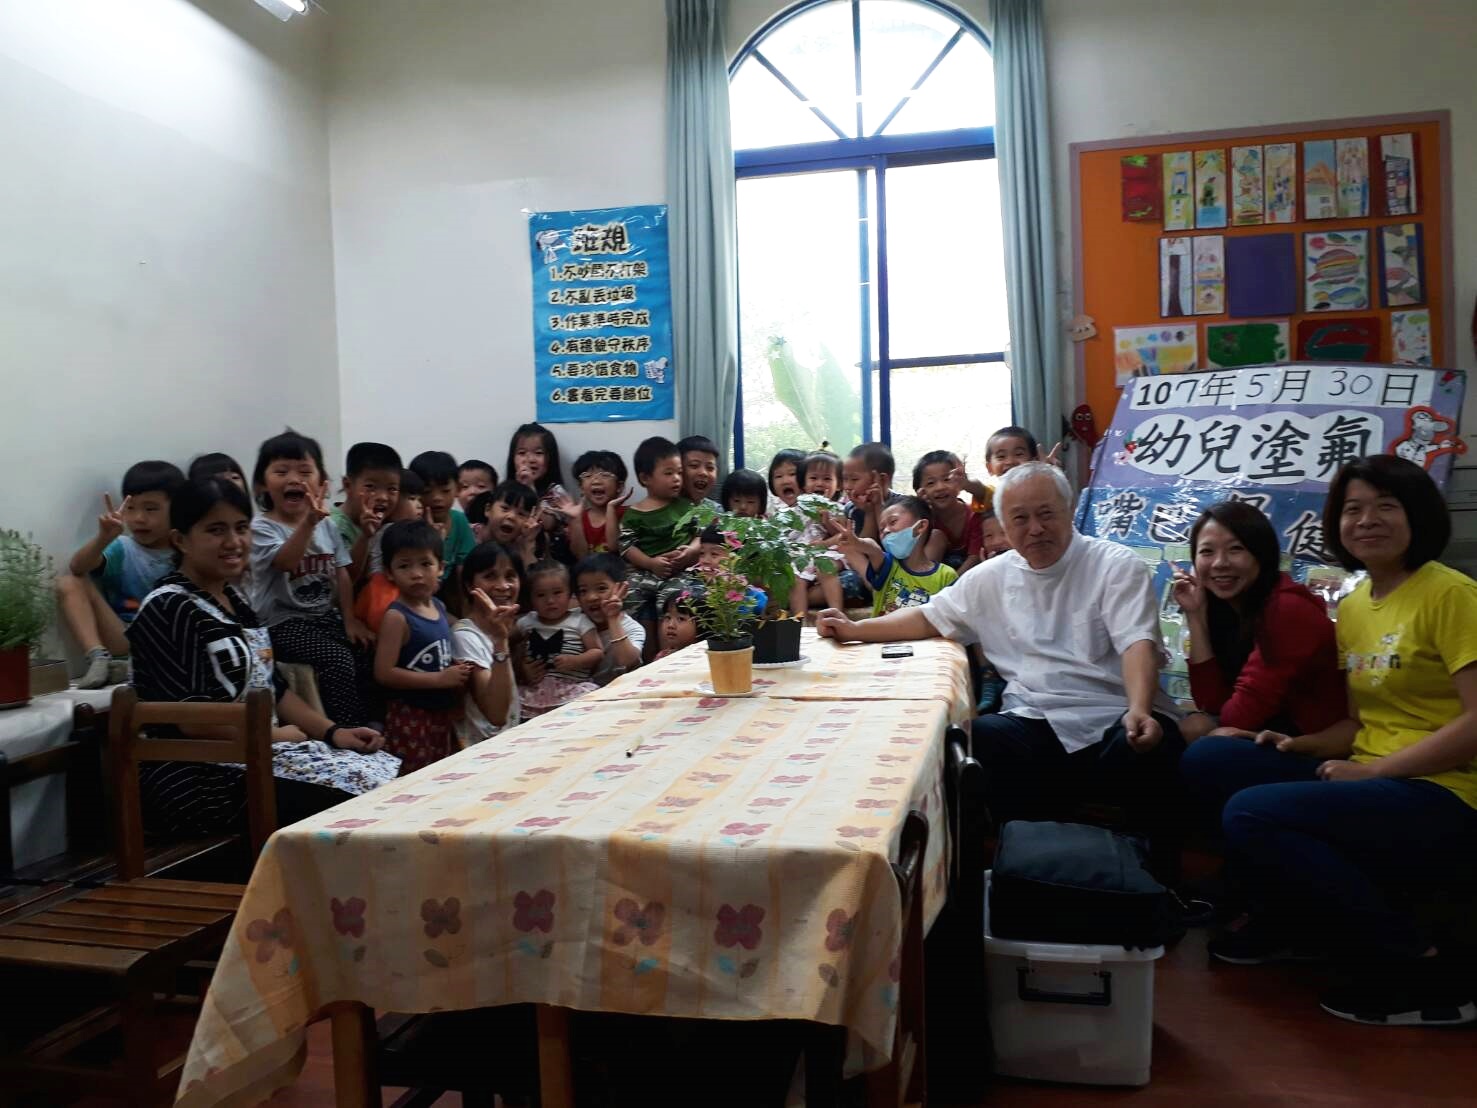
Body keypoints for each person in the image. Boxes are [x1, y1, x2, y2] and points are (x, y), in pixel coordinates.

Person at [1184, 457, 1477, 1026]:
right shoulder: (1358, 603)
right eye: (1353, 509)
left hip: (1445, 789)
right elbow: (1354, 722)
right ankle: (1297, 923)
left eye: (1385, 507)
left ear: (1418, 515)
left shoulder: (1451, 595)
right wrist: (1298, 745)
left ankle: (1422, 967)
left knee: (1252, 814)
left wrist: (1373, 773)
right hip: (1374, 770)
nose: (1367, 520)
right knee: (1214, 755)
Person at [817, 461, 1189, 877]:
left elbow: (1137, 641)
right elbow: (927, 617)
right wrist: (856, 628)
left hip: (1115, 717)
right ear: (1004, 525)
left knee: (1153, 745)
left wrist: (1138, 707)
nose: (1035, 529)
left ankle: (1161, 885)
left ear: (1071, 511)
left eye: (1046, 514)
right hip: (1038, 719)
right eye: (1020, 518)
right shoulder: (990, 578)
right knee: (984, 738)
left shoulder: (1114, 564)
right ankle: (1030, 870)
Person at [128, 477, 398, 838]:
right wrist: (270, 736)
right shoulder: (169, 607)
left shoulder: (237, 603)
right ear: (181, 540)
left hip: (258, 753)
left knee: (393, 777)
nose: (234, 542)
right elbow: (191, 718)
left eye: (241, 528)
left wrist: (334, 733)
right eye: (216, 530)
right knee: (350, 808)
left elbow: (275, 689)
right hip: (199, 773)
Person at [1172, 501, 1343, 738]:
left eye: (1235, 549)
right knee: (1195, 726)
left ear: (1261, 555)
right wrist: (1195, 614)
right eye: (1207, 552)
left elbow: (1239, 718)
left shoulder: (1288, 608)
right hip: (1267, 729)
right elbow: (1210, 702)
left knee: (1209, 740)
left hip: (1312, 742)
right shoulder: (1223, 607)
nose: (1220, 563)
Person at [249, 429, 374, 727]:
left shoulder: (327, 525)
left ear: (322, 484)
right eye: (281, 471)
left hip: (323, 617)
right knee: (336, 659)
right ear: (261, 485)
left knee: (368, 649)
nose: (294, 478)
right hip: (281, 624)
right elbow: (286, 561)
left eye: (305, 471)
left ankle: (373, 721)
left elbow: (342, 572)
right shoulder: (262, 528)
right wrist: (308, 523)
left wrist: (349, 619)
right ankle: (346, 730)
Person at [59, 460, 185, 688]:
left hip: (169, 643)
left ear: (177, 509)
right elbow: (78, 566)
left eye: (150, 509)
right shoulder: (123, 547)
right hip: (124, 637)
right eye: (130, 507)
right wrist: (103, 538)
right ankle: (99, 658)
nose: (138, 518)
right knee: (70, 582)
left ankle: (130, 668)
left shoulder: (188, 549)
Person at [373, 520, 471, 774]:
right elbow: (384, 673)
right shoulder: (397, 617)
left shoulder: (437, 607)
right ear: (389, 572)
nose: (416, 573)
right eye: (404, 565)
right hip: (411, 716)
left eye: (425, 564)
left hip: (440, 712)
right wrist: (440, 678)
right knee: (413, 779)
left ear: (441, 567)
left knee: (441, 774)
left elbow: (455, 635)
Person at [828, 496, 956, 617]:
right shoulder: (887, 565)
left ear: (921, 526)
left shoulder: (946, 576)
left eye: (893, 522)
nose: (886, 530)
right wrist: (858, 542)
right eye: (881, 529)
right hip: (880, 639)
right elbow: (873, 548)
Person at [451, 541, 524, 742]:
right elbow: (496, 714)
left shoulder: (508, 628)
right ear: (469, 585)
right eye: (490, 576)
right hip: (481, 752)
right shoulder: (465, 637)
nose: (503, 586)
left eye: (510, 576)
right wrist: (500, 642)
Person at [619, 437, 697, 623]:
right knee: (627, 597)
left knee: (675, 604)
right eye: (669, 473)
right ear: (645, 478)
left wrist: (691, 550)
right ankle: (634, 649)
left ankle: (670, 649)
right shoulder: (633, 514)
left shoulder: (686, 507)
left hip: (680, 572)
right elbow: (626, 547)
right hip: (644, 572)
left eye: (679, 472)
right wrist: (650, 563)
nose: (677, 478)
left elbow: (700, 535)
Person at [516, 561, 602, 716]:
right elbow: (510, 645)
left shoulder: (579, 621)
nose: (550, 601)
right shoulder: (526, 622)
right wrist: (521, 666)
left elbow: (597, 651)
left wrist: (576, 661)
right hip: (534, 691)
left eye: (557, 593)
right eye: (541, 595)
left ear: (570, 594)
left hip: (571, 689)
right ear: (531, 599)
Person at [408, 451, 478, 601]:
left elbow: (463, 572)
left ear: (458, 489)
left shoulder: (459, 521)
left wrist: (466, 614)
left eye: (445, 490)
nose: (437, 498)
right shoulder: (409, 525)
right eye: (427, 491)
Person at [331, 442, 403, 588]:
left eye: (392, 489)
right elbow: (345, 580)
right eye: (370, 486)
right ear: (348, 485)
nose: (383, 497)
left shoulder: (386, 521)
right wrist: (365, 537)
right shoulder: (332, 526)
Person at [575, 553, 645, 683]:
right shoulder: (573, 621)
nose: (591, 597)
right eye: (583, 591)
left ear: (622, 590)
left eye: (601, 588)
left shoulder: (633, 628)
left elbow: (626, 660)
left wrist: (613, 618)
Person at [549, 450, 629, 558]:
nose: (596, 481)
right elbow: (581, 556)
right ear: (581, 487)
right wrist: (576, 520)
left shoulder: (629, 514)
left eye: (605, 475)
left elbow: (617, 549)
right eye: (587, 476)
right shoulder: (579, 518)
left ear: (619, 486)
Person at [914, 449, 984, 574]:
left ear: (960, 482)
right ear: (920, 491)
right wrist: (920, 510)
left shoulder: (974, 515)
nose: (940, 487)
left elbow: (975, 558)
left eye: (947, 479)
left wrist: (951, 587)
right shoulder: (925, 522)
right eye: (931, 483)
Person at [655, 589, 702, 659]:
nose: (671, 625)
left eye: (681, 619)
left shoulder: (705, 657)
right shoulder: (662, 657)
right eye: (668, 617)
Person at [677, 434, 720, 504]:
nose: (703, 473)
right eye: (694, 465)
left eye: (710, 468)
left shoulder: (717, 511)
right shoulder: (661, 510)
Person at [767, 448, 807, 512]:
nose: (785, 481)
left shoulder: (818, 512)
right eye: (778, 476)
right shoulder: (774, 513)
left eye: (792, 474)